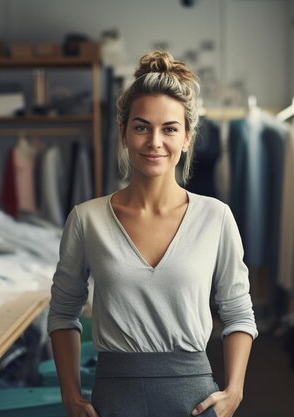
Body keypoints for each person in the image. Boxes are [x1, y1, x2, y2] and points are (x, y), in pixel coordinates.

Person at [48, 50, 258, 417]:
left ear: (188, 137)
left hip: (194, 399)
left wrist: (235, 390)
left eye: (170, 129)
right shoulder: (87, 219)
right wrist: (71, 396)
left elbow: (239, 313)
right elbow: (63, 312)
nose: (155, 141)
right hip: (114, 398)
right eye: (142, 126)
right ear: (124, 133)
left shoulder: (216, 217)